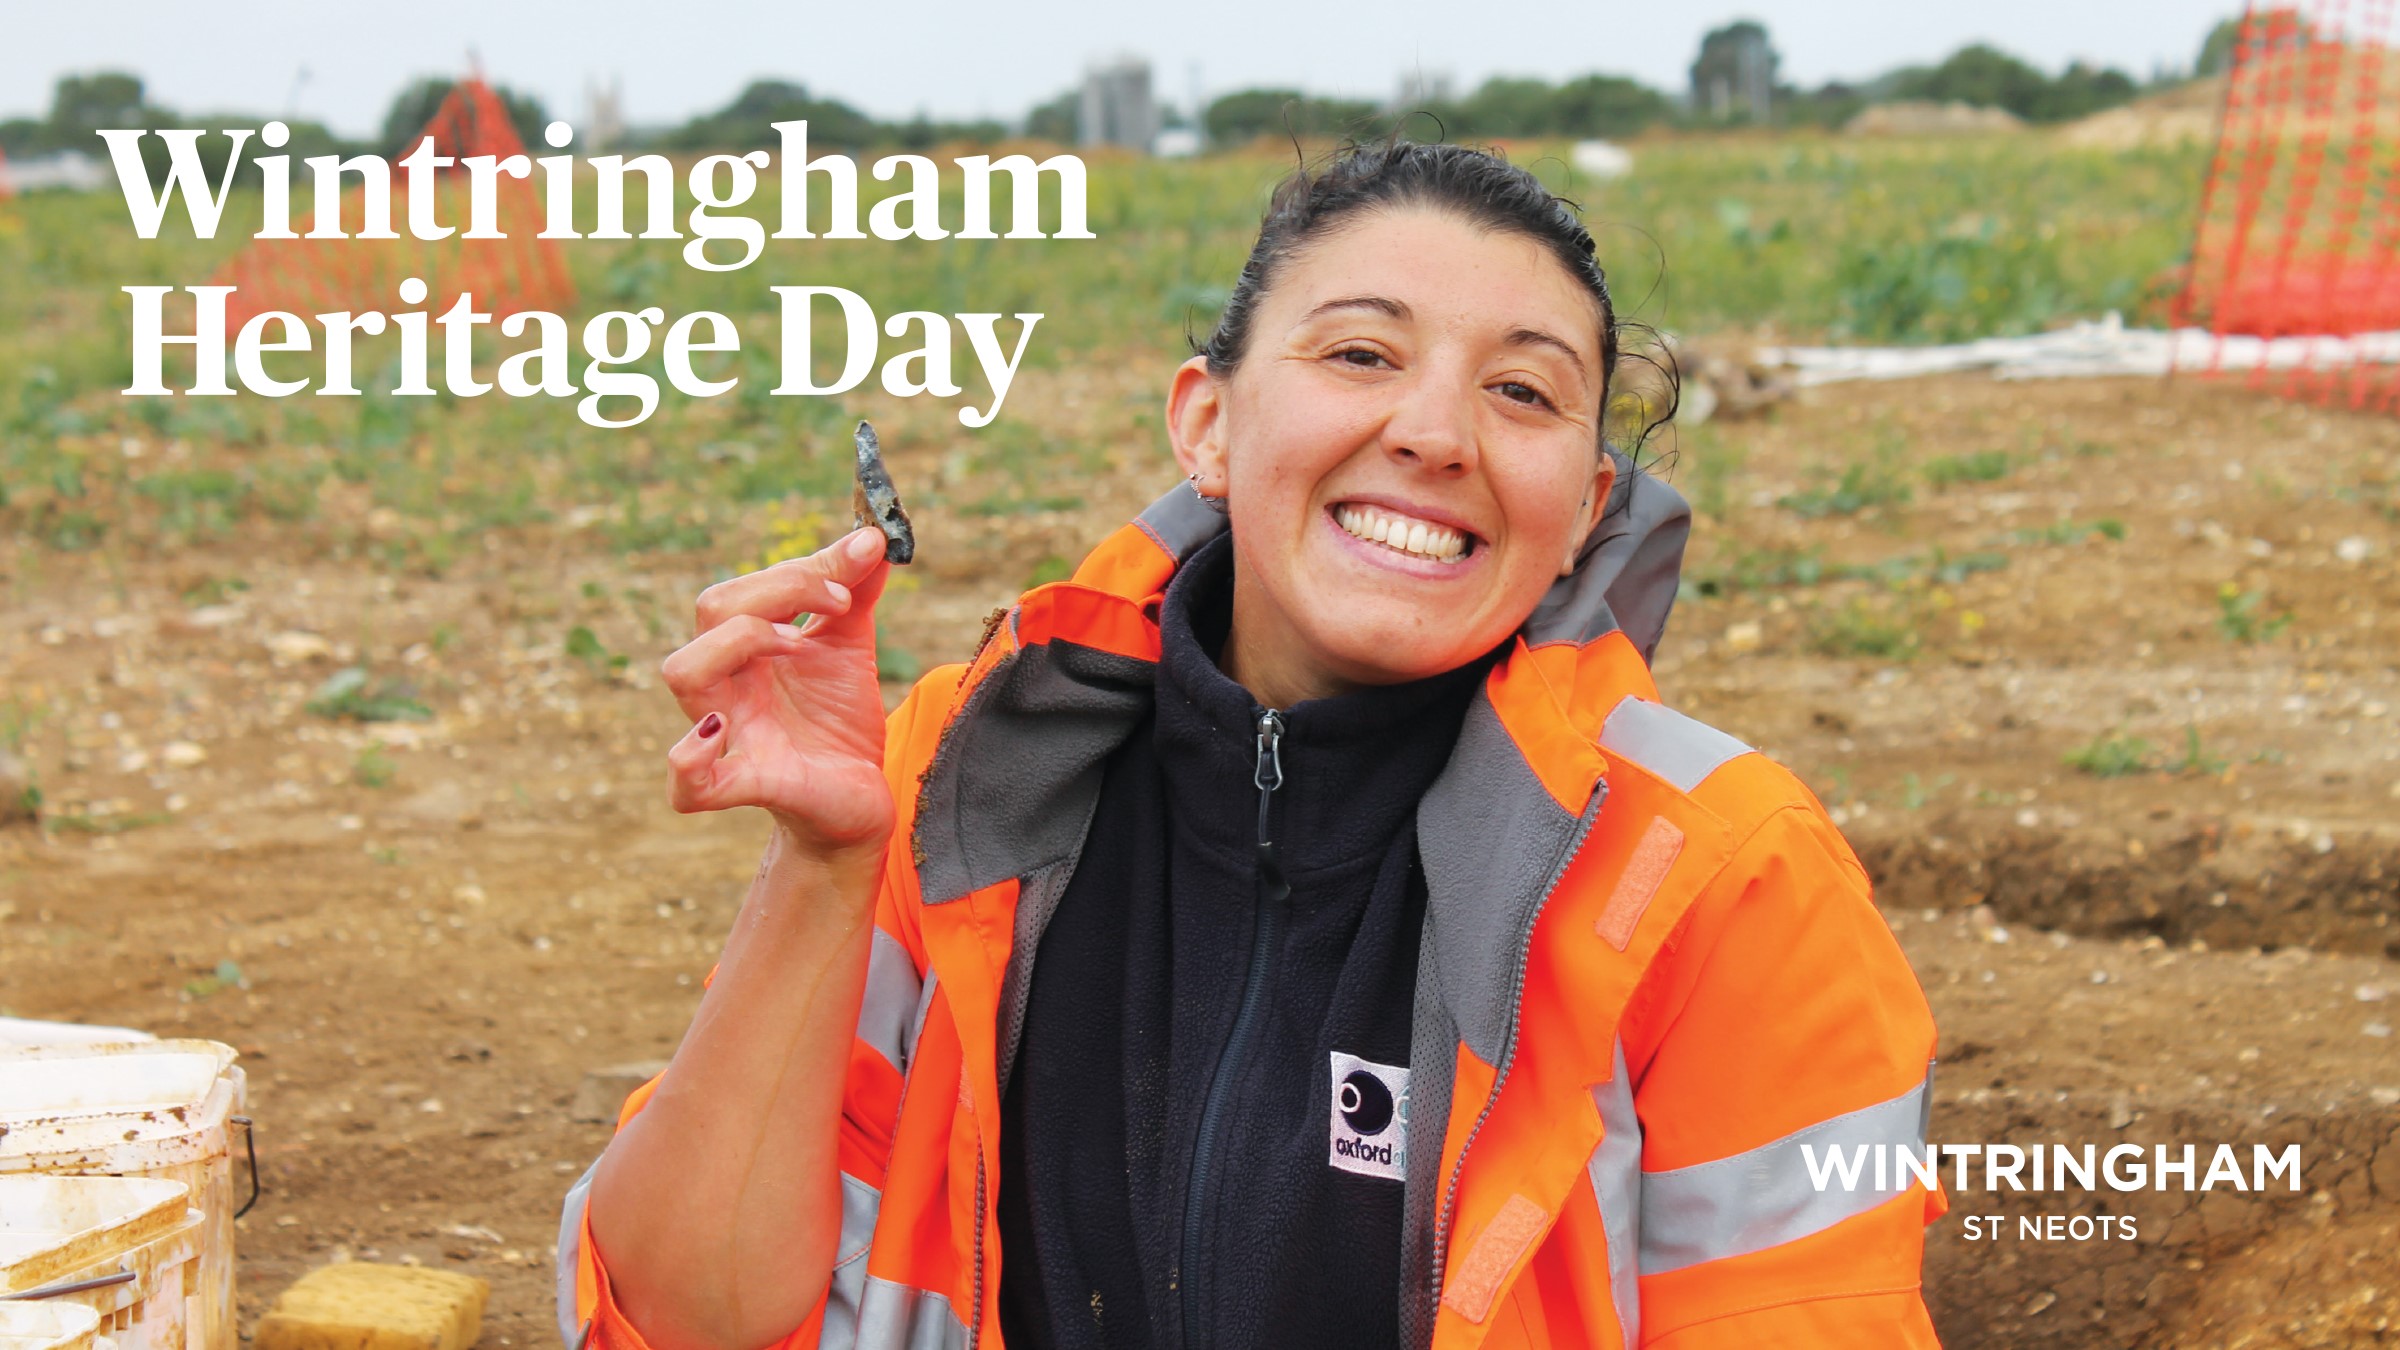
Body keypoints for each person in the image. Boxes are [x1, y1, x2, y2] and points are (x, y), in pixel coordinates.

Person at [560, 140, 1946, 1350]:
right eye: (1361, 353)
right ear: (1207, 425)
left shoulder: (1717, 879)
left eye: (1522, 392)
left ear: (1585, 505)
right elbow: (684, 1321)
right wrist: (823, 861)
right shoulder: (961, 783)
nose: (1434, 432)